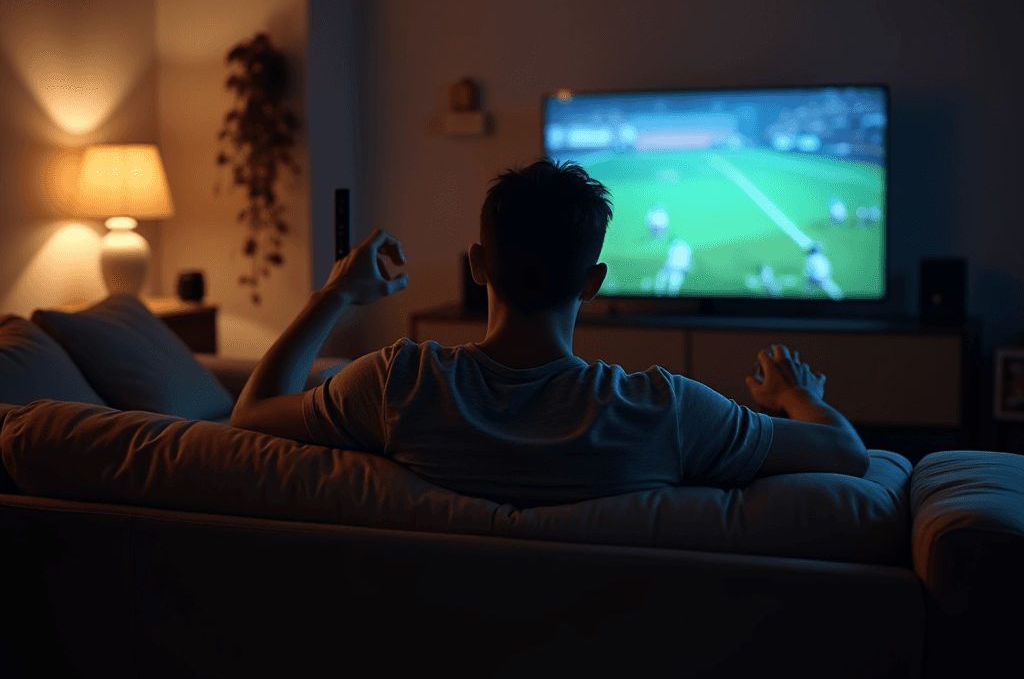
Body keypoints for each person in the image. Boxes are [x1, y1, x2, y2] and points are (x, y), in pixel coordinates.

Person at [231, 159, 868, 504]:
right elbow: (847, 455)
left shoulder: (397, 384)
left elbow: (251, 412)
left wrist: (335, 293)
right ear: (593, 282)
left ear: (477, 265)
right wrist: (794, 397)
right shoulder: (666, 411)